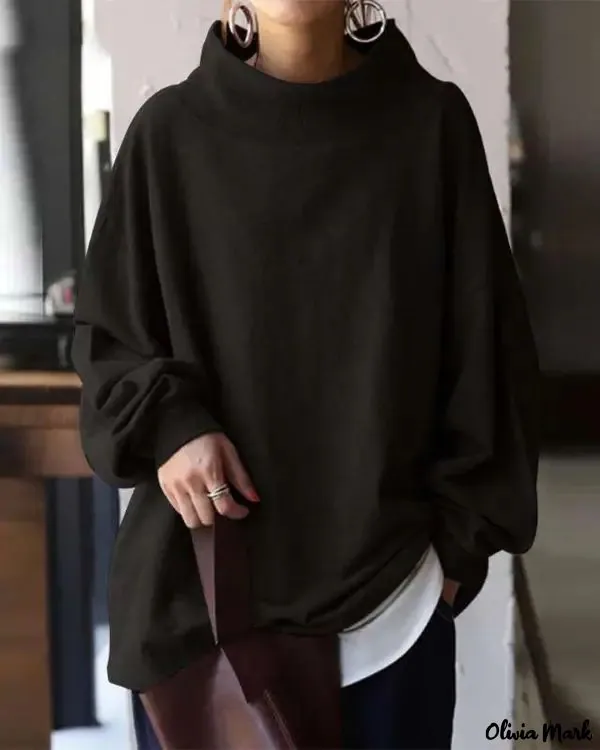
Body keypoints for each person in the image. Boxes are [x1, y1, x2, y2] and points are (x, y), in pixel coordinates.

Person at [72, 1, 540, 748]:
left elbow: (489, 355)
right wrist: (172, 428)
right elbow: (108, 342)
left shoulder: (429, 126)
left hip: (395, 609)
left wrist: (451, 558)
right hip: (204, 616)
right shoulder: (169, 135)